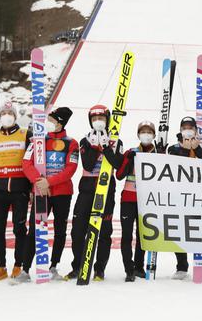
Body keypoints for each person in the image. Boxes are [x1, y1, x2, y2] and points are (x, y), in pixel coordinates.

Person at [14, 107, 78, 283]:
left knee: (60, 230)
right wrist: (39, 181)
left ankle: (53, 266)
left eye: (52, 120)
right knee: (36, 229)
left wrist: (50, 182)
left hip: (62, 193)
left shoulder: (72, 143)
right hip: (41, 193)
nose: (48, 123)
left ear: (60, 122)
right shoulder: (37, 141)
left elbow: (70, 169)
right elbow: (26, 163)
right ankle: (25, 270)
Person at [65, 105, 123, 281]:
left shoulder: (116, 142)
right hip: (87, 188)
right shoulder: (85, 140)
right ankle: (78, 266)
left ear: (107, 119)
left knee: (104, 231)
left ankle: (100, 269)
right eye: (95, 119)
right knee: (78, 230)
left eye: (102, 118)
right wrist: (93, 146)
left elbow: (117, 164)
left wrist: (106, 147)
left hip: (106, 188)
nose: (98, 122)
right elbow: (88, 164)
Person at [0, 101, 32, 281]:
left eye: (10, 112)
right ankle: (1, 267)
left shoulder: (26, 135)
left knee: (20, 228)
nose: (7, 115)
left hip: (19, 190)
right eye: (3, 112)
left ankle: (18, 265)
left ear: (15, 115)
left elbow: (32, 162)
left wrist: (30, 189)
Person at [167, 116, 202, 280]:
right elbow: (171, 166)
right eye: (184, 127)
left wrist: (197, 150)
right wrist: (186, 151)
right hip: (179, 195)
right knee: (180, 229)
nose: (187, 130)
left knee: (201, 231)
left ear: (195, 130)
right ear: (180, 130)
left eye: (190, 127)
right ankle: (181, 266)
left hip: (199, 196)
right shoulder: (173, 148)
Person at [116, 120, 159, 281]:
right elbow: (119, 175)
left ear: (154, 135)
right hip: (128, 198)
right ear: (138, 134)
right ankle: (129, 269)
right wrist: (128, 160)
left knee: (143, 236)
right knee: (127, 235)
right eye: (143, 131)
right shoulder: (130, 151)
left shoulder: (157, 154)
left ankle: (139, 267)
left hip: (147, 201)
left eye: (149, 132)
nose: (146, 135)